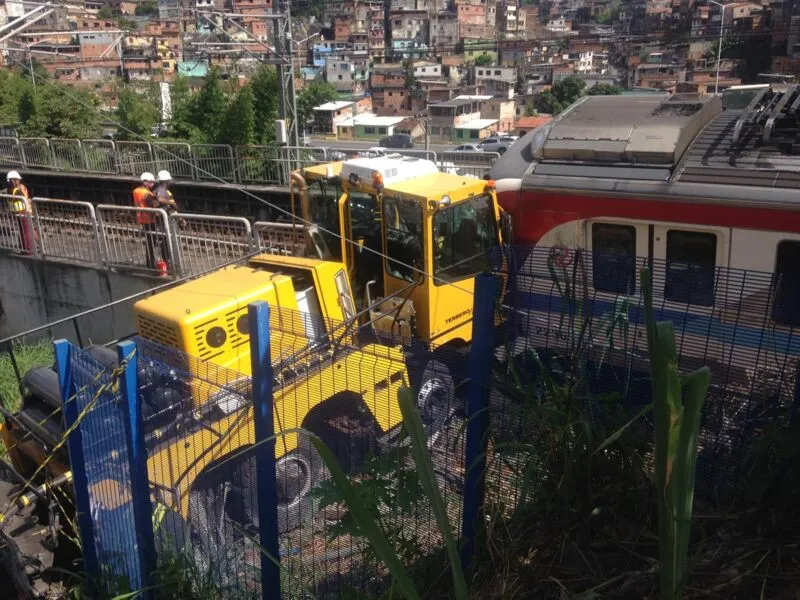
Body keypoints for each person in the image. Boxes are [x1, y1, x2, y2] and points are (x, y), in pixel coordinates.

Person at [133, 172, 159, 269]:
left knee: (149, 242)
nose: (153, 184)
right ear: (145, 182)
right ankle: (151, 264)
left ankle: (150, 262)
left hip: (142, 218)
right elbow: (151, 205)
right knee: (151, 242)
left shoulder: (136, 191)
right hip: (149, 219)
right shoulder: (147, 193)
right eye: (151, 182)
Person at [7, 171, 34, 255]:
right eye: (18, 179)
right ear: (15, 180)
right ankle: (29, 250)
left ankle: (24, 249)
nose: (19, 181)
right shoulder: (17, 191)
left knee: (22, 231)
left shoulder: (9, 190)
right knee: (27, 231)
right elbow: (25, 200)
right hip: (23, 212)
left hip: (16, 212)